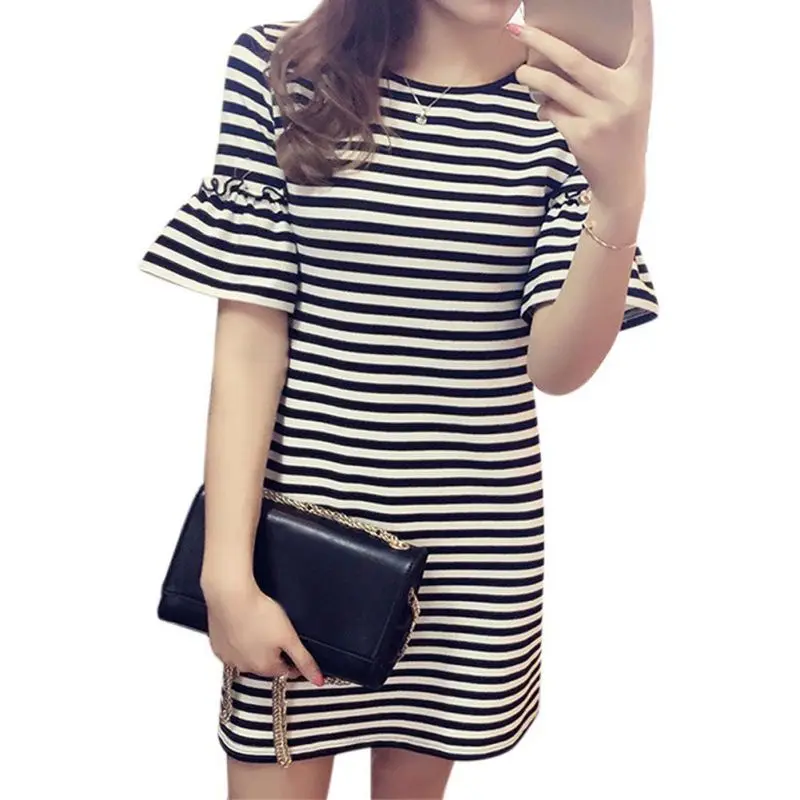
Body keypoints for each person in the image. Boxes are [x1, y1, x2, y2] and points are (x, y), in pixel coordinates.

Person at [138, 1, 658, 797]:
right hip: (298, 550)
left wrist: (618, 197)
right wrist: (226, 572)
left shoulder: (563, 106)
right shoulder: (284, 70)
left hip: (472, 561)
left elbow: (556, 367)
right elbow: (249, 340)